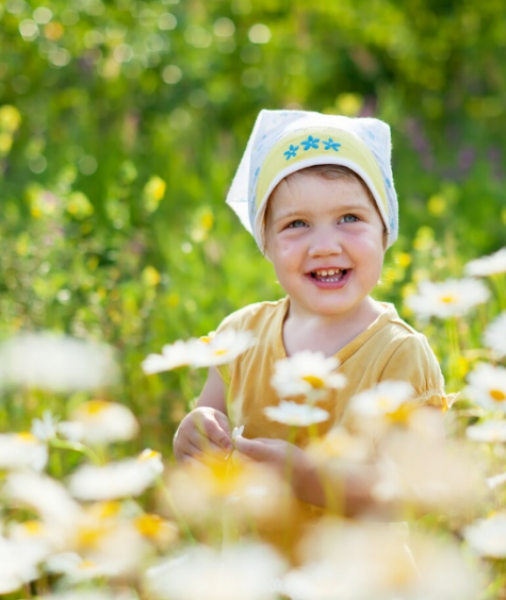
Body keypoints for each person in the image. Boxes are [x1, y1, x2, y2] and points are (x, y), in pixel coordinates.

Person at [172, 109, 447, 517]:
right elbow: (210, 428)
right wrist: (196, 433)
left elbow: (410, 492)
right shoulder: (240, 336)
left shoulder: (398, 353)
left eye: (349, 218)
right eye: (297, 224)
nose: (324, 246)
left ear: (385, 230)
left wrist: (303, 476)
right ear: (264, 241)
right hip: (252, 571)